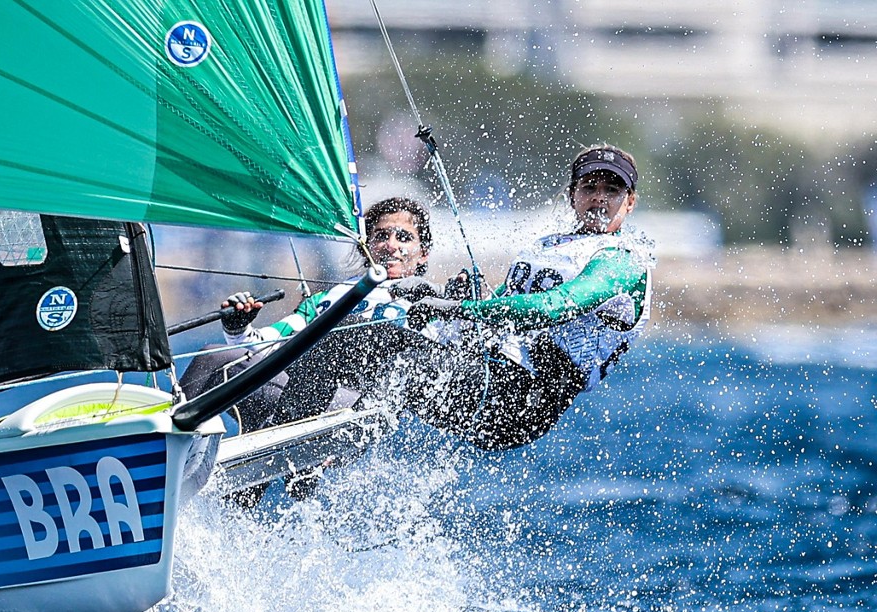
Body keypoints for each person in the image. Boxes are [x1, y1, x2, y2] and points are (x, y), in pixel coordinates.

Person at [395, 143, 655, 450]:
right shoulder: (550, 246)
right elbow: (503, 305)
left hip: (520, 402)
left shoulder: (622, 261)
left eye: (612, 189)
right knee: (373, 337)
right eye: (589, 187)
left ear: (630, 202)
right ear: (573, 196)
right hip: (489, 369)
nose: (599, 197)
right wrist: (441, 294)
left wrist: (456, 308)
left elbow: (553, 307)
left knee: (385, 355)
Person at [178, 196, 467, 432]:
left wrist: (463, 300)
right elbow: (265, 345)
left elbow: (447, 360)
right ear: (366, 245)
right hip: (294, 395)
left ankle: (290, 455)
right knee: (212, 357)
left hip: (357, 410)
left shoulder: (435, 301)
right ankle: (166, 441)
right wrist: (237, 328)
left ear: (423, 252)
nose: (390, 245)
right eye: (381, 236)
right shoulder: (328, 298)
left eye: (403, 237)